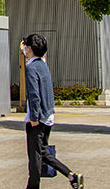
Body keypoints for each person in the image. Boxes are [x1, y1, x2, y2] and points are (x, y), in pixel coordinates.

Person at [22, 34, 82, 189]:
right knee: (42, 152)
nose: (24, 49)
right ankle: (72, 176)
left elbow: (34, 95)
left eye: (25, 46)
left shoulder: (31, 67)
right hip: (48, 116)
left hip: (38, 118)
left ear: (30, 49)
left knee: (34, 159)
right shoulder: (43, 65)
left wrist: (34, 117)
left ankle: (33, 186)